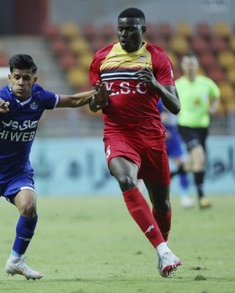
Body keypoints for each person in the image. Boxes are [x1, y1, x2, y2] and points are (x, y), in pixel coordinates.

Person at [0, 54, 104, 282]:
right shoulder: (2, 97)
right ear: (9, 78)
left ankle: (15, 260)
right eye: (16, 77)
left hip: (18, 171)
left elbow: (74, 101)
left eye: (26, 78)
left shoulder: (40, 97)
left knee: (29, 206)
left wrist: (99, 92)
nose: (21, 82)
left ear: (33, 80)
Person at [88, 8, 182, 277]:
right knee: (126, 179)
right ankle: (164, 252)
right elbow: (96, 103)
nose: (124, 33)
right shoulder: (102, 58)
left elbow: (175, 106)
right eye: (121, 29)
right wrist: (100, 101)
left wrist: (155, 85)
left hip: (151, 136)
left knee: (162, 205)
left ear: (143, 29)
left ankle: (162, 248)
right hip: (118, 133)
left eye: (130, 29)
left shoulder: (157, 57)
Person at [176, 53, 220, 209]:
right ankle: (202, 197)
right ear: (182, 66)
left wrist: (214, 106)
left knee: (197, 161)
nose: (189, 66)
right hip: (185, 126)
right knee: (199, 155)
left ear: (197, 65)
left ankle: (173, 174)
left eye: (192, 63)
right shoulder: (178, 85)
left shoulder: (206, 83)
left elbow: (216, 96)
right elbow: (169, 102)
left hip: (203, 127)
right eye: (186, 63)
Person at [157, 99, 194, 208]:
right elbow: (160, 117)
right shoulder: (158, 98)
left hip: (171, 134)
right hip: (161, 134)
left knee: (179, 164)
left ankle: (184, 196)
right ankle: (183, 196)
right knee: (158, 168)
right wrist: (162, 129)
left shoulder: (170, 94)